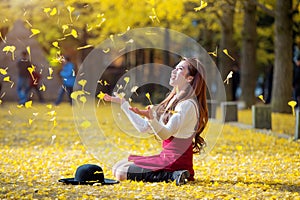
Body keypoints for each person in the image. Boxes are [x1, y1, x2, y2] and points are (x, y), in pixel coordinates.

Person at [104, 57, 208, 186]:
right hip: (166, 158)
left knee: (120, 172)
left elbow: (166, 134)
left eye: (180, 69)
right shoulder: (173, 100)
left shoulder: (186, 104)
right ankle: (174, 174)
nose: (174, 71)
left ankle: (174, 175)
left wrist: (152, 119)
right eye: (175, 67)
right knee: (118, 166)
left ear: (189, 78)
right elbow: (144, 127)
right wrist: (123, 104)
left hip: (176, 162)